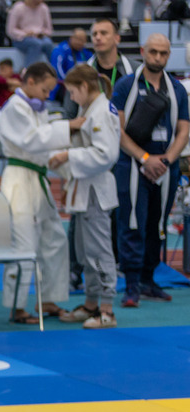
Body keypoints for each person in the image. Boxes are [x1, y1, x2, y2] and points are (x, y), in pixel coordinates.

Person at [0, 61, 84, 324]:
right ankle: (17, 306)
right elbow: (33, 140)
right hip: (18, 179)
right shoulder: (15, 107)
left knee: (55, 239)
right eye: (45, 90)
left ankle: (48, 299)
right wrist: (69, 126)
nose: (47, 96)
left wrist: (67, 174)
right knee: (23, 244)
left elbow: (47, 148)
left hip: (37, 178)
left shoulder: (37, 108)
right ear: (31, 81)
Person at [111, 34, 189, 307]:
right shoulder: (126, 85)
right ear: (143, 51)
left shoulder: (177, 89)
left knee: (158, 225)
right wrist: (145, 158)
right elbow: (117, 129)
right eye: (153, 51)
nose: (158, 57)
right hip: (133, 165)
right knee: (132, 223)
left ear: (169, 55)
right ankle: (132, 284)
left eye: (163, 53)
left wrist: (166, 160)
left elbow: (183, 130)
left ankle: (148, 280)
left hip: (165, 168)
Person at [49, 65, 122, 328]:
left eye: (72, 92)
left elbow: (106, 155)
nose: (71, 97)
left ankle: (107, 310)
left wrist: (68, 155)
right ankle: (91, 304)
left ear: (84, 86)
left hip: (95, 191)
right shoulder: (89, 109)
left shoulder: (102, 111)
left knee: (99, 252)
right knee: (84, 251)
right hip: (83, 189)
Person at [6, 0, 54, 67]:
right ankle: (28, 69)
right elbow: (10, 30)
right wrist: (25, 33)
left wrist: (41, 32)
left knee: (48, 44)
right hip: (21, 39)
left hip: (40, 37)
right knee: (36, 44)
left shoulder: (44, 8)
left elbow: (49, 30)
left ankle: (54, 68)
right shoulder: (18, 8)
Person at [49, 28, 92, 100]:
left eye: (82, 40)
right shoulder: (60, 50)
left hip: (81, 85)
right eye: (78, 39)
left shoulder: (85, 53)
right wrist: (70, 82)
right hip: (62, 87)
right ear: (71, 38)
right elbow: (56, 71)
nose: (79, 42)